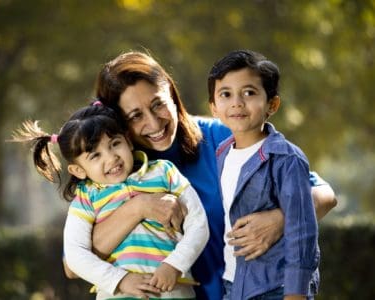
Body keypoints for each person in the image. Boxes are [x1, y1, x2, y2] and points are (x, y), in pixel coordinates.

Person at [68, 51, 337, 299]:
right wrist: (139, 207)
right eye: (136, 115)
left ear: (172, 95)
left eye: (158, 104)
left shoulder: (226, 135)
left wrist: (280, 218)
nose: (153, 123)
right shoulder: (114, 175)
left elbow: (325, 194)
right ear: (120, 124)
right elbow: (72, 265)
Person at [13, 102, 210, 299]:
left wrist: (175, 265)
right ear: (78, 170)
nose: (111, 158)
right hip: (117, 295)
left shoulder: (164, 172)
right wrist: (120, 280)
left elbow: (198, 222)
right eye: (95, 155)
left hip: (173, 292)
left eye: (115, 144)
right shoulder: (86, 197)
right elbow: (75, 255)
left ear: (128, 141)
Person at [208, 49, 319, 299]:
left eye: (249, 92)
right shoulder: (221, 154)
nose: (237, 102)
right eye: (226, 94)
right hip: (232, 285)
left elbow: (302, 231)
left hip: (276, 287)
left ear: (272, 104)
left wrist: (296, 293)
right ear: (213, 107)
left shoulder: (286, 159)